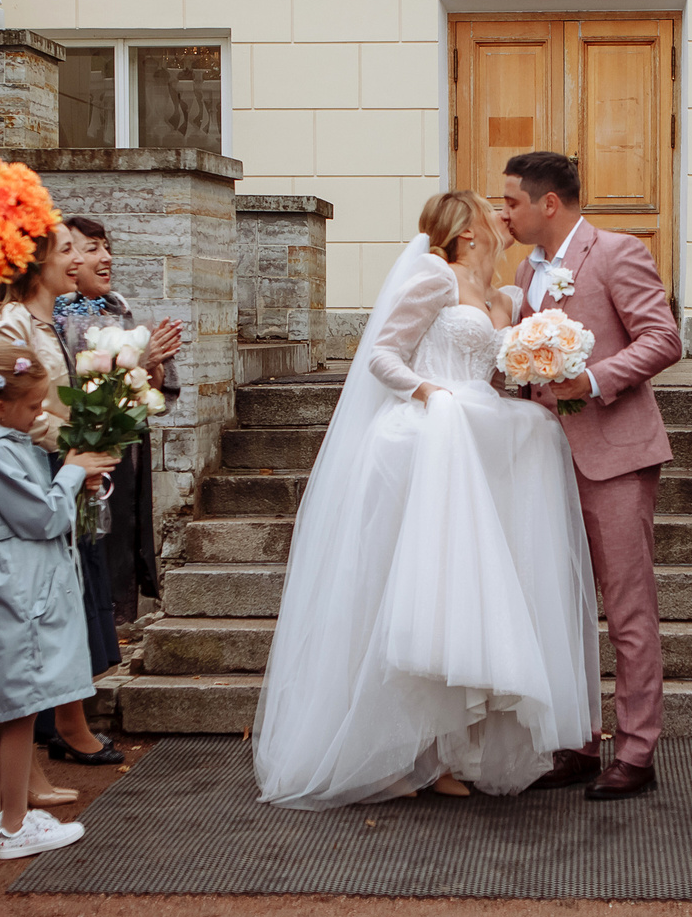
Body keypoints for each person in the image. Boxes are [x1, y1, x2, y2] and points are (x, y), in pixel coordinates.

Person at [252, 191, 601, 807]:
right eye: (492, 210)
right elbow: (381, 356)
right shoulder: (433, 279)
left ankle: (445, 752)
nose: (504, 216)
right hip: (422, 444)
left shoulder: (508, 298)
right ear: (465, 231)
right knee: (406, 595)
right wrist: (430, 395)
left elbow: (501, 375)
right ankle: (384, 754)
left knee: (461, 602)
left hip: (479, 449)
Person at [500, 151, 688, 801]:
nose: (504, 214)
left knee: (628, 608)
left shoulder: (616, 252)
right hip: (547, 458)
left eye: (511, 202)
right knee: (567, 603)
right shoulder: (526, 269)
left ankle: (636, 751)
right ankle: (577, 739)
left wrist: (594, 379)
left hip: (615, 454)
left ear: (549, 202)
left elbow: (663, 337)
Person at [0, 231, 121, 779]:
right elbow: (11, 406)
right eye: (66, 250)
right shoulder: (11, 324)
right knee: (15, 621)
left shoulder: (62, 318)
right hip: (33, 470)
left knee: (57, 607)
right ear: (35, 263)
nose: (80, 259)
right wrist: (73, 447)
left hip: (61, 466)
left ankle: (61, 732)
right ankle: (15, 773)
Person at [0, 353, 112, 860]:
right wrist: (74, 473)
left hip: (0, 588)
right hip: (19, 590)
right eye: (33, 405)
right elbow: (42, 517)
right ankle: (15, 826)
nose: (39, 414)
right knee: (18, 709)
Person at [55, 215, 183, 628]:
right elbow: (70, 390)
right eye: (91, 249)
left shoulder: (119, 308)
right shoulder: (52, 319)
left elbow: (154, 392)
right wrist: (136, 362)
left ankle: (117, 626)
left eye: (105, 247)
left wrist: (155, 365)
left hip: (123, 448)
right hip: (73, 450)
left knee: (123, 535)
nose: (105, 257)